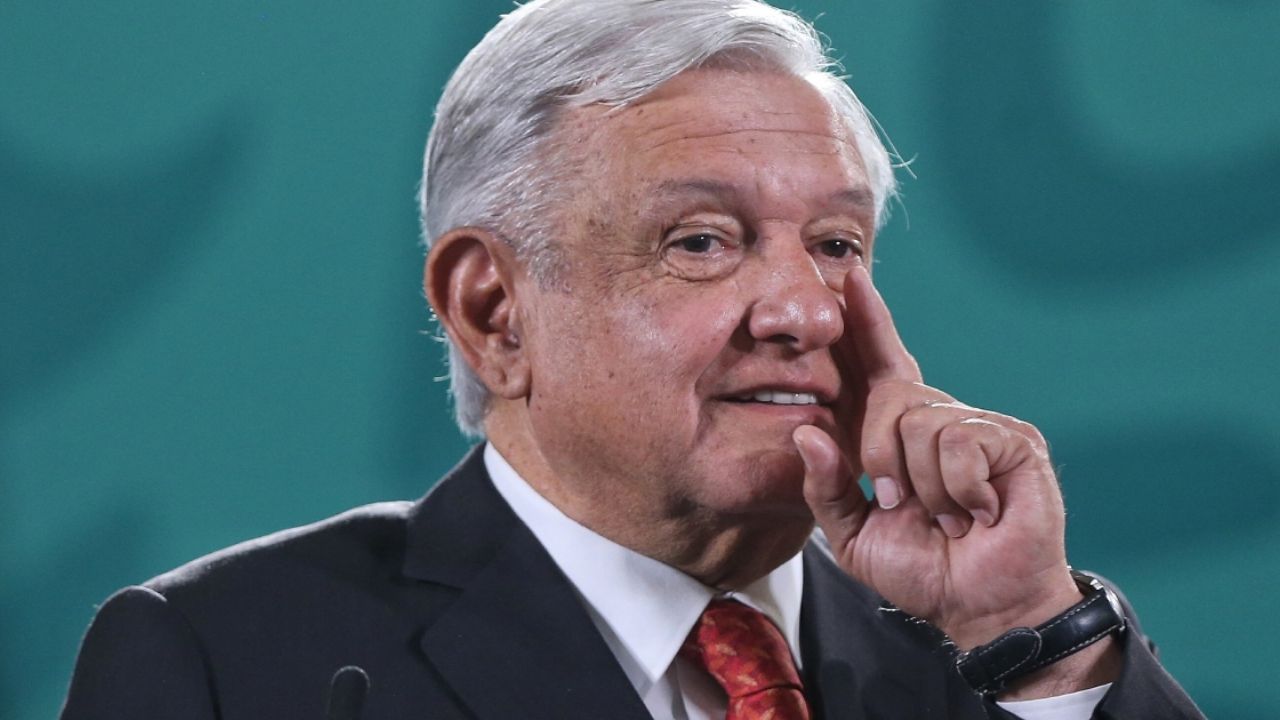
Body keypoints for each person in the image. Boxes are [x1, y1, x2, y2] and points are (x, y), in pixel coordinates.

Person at [61, 1, 1204, 718]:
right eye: (700, 241)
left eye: (834, 244)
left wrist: (1033, 638)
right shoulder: (227, 662)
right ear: (494, 312)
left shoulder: (988, 656)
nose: (801, 311)